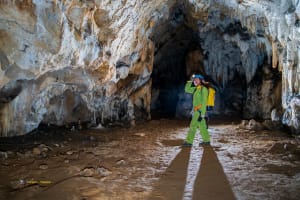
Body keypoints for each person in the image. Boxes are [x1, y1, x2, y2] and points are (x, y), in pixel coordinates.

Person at [182, 74, 210, 147]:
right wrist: (190, 81)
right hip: (195, 111)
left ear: (201, 80)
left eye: (197, 79)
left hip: (199, 111)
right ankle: (206, 141)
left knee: (193, 126)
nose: (195, 80)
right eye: (195, 79)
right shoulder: (195, 89)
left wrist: (203, 114)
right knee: (202, 126)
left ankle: (189, 142)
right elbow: (186, 89)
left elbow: (204, 102)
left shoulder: (204, 89)